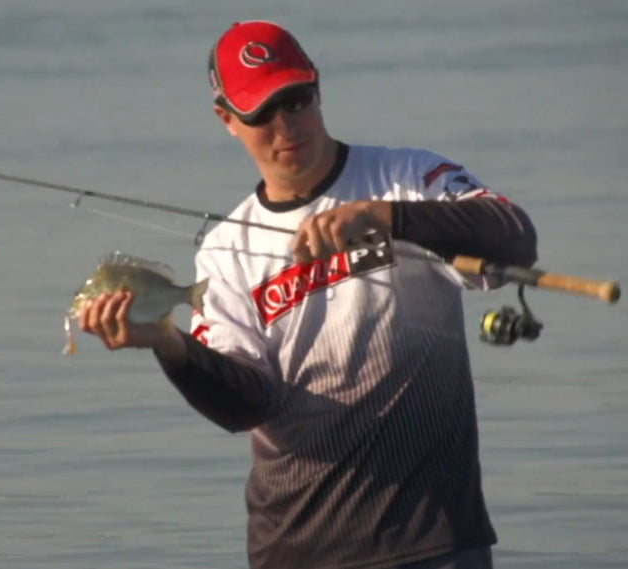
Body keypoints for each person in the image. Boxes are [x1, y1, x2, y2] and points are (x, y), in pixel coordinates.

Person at [78, 20, 537, 569]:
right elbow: (247, 404)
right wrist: (168, 346)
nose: (286, 124)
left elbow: (514, 236)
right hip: (297, 545)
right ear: (227, 120)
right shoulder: (226, 251)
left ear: (316, 88)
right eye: (262, 113)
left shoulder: (408, 176)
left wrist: (386, 216)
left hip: (435, 538)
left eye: (297, 100)